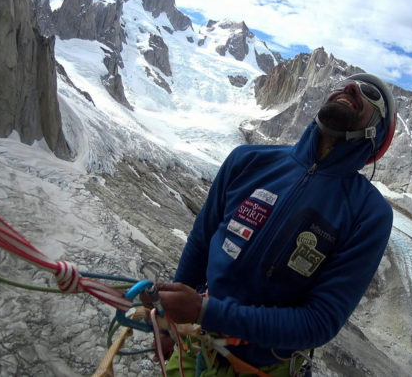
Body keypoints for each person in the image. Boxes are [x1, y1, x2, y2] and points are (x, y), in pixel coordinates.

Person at [154, 73, 397, 376]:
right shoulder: (248, 160)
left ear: (378, 131)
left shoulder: (368, 214)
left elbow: (320, 321)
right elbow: (201, 243)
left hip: (268, 368)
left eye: (369, 92)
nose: (349, 87)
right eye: (343, 84)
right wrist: (168, 324)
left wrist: (207, 312)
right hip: (196, 344)